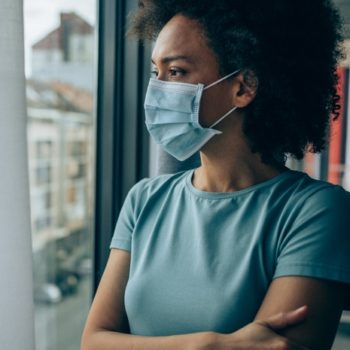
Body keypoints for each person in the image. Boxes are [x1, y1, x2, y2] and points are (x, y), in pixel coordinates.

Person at [81, 1, 350, 349]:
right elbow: (92, 342)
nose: (157, 89)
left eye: (176, 72)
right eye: (154, 73)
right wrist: (208, 345)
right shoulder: (145, 199)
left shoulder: (319, 211)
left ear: (243, 87)